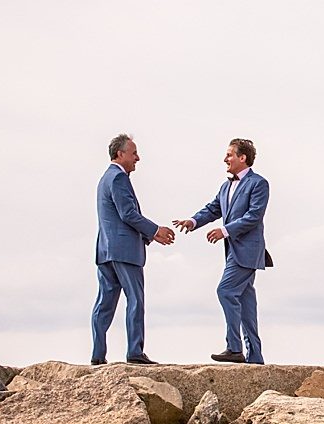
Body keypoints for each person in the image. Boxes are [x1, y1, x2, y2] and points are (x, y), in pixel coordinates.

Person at [173, 138, 273, 364]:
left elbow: (254, 216)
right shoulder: (226, 186)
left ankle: (234, 348)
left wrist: (225, 231)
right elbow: (213, 208)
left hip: (248, 251)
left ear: (242, 157)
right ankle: (255, 357)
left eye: (229, 155)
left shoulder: (259, 184)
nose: (224, 159)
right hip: (233, 253)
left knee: (225, 291)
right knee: (246, 303)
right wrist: (192, 221)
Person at [91, 134, 175, 365]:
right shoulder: (118, 179)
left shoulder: (104, 178)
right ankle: (135, 352)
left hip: (106, 250)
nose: (138, 157)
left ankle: (98, 355)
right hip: (124, 251)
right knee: (135, 299)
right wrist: (155, 231)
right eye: (134, 152)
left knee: (104, 303)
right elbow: (128, 214)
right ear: (120, 154)